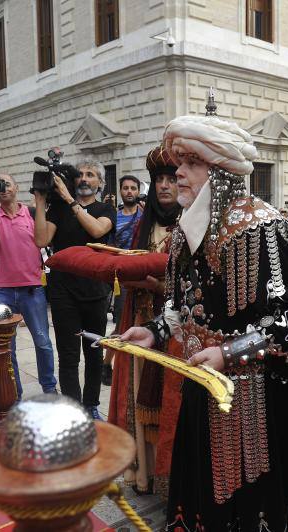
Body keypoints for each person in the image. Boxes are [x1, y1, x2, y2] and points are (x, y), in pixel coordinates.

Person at [120, 114, 288, 531]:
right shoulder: (184, 233)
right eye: (180, 162)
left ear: (222, 173)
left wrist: (230, 352)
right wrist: (156, 331)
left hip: (254, 402)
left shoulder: (262, 229)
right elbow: (184, 307)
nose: (177, 172)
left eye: (191, 163)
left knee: (246, 507)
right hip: (202, 389)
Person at [108, 145, 183, 496]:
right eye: (159, 180)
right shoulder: (142, 224)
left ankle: (171, 471)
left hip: (177, 324)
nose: (165, 185)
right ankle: (144, 473)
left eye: (171, 178)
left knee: (171, 397)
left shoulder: (190, 225)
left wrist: (161, 284)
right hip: (142, 316)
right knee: (137, 393)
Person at [34, 161, 116, 419]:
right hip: (62, 291)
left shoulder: (105, 209)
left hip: (94, 289)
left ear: (100, 184)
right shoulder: (59, 210)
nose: (83, 178)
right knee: (68, 356)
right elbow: (41, 240)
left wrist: (69, 199)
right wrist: (40, 200)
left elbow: (96, 230)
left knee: (93, 353)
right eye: (80, 174)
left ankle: (91, 405)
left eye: (90, 175)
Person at [0, 174, 57, 397]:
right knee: (7, 348)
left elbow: (45, 239)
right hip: (2, 291)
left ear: (17, 187)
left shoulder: (31, 214)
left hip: (32, 288)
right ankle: (14, 393)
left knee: (42, 342)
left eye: (7, 184)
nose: (3, 188)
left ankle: (49, 388)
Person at [103, 174, 143, 383]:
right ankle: (107, 363)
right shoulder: (114, 217)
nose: (129, 191)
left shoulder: (145, 216)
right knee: (121, 322)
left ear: (138, 191)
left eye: (133, 188)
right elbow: (109, 247)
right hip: (122, 276)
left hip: (143, 274)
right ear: (121, 191)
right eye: (125, 188)